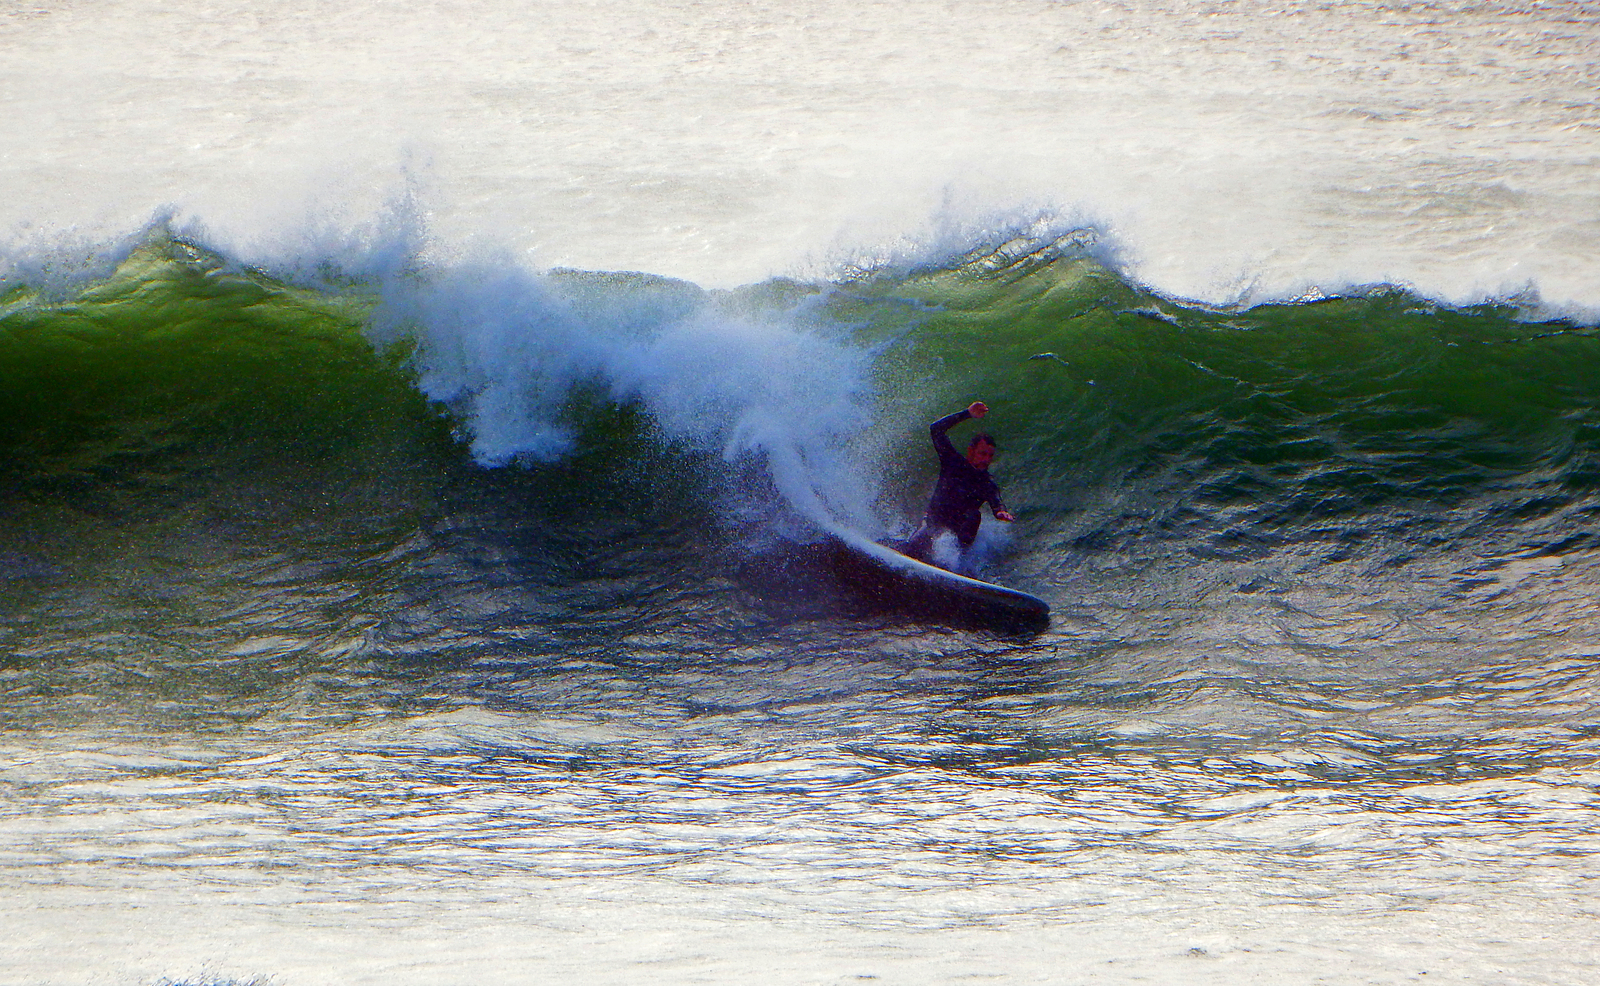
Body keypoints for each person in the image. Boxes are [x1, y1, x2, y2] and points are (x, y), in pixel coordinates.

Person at [902, 401, 1014, 564]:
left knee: (974, 515)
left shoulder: (987, 483)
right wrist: (967, 414)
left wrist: (1000, 511)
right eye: (983, 453)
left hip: (956, 540)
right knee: (911, 550)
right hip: (933, 523)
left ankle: (958, 568)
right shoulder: (952, 462)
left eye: (990, 456)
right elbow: (936, 430)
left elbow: (996, 501)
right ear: (971, 450)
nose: (986, 460)